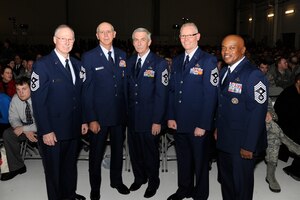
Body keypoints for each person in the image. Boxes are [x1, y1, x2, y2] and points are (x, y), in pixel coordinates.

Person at [30, 24, 88, 200]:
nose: (67, 42)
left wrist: (83, 120)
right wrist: (46, 130)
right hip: (52, 130)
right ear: (55, 40)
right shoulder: (42, 65)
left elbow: (80, 97)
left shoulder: (78, 65)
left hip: (73, 128)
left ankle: (69, 195)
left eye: (70, 39)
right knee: (54, 171)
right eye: (63, 38)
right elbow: (39, 102)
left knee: (70, 167)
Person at [167, 22, 219, 200]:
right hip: (179, 122)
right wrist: (171, 116)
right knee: (183, 159)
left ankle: (201, 194)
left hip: (198, 123)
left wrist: (203, 124)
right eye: (182, 36)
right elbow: (172, 90)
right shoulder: (177, 60)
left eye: (190, 35)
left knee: (200, 162)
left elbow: (211, 96)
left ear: (198, 37)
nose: (186, 39)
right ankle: (184, 189)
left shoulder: (208, 60)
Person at [216, 34, 268, 200]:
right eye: (224, 47)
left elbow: (258, 113)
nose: (226, 51)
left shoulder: (253, 75)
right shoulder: (224, 71)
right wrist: (217, 128)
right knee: (227, 182)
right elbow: (222, 105)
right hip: (225, 139)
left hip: (242, 143)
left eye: (232, 47)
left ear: (243, 50)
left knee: (242, 186)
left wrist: (249, 145)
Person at [81, 22, 129, 200]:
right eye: (102, 32)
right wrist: (91, 118)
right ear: (97, 35)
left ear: (114, 34)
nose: (106, 34)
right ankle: (95, 188)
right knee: (96, 154)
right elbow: (86, 91)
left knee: (118, 150)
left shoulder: (123, 55)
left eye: (109, 31)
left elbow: (124, 86)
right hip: (99, 117)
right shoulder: (89, 57)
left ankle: (116, 181)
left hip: (119, 114)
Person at [126, 27, 169, 198]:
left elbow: (162, 95)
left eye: (142, 39)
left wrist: (157, 120)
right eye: (135, 39)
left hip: (150, 118)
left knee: (150, 152)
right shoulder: (129, 62)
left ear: (149, 42)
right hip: (132, 117)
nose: (138, 42)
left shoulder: (159, 63)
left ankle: (153, 181)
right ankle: (139, 178)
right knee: (134, 150)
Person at [1, 76, 36, 181]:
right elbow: (13, 118)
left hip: (41, 128)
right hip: (23, 126)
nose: (21, 93)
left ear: (31, 88)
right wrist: (23, 130)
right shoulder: (15, 98)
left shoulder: (38, 98)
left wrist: (25, 129)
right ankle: (17, 167)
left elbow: (44, 122)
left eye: (24, 89)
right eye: (18, 90)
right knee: (8, 134)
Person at [274, 73, 300, 181]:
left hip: (294, 124)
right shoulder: (289, 93)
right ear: (298, 81)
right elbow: (283, 115)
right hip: (284, 126)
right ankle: (295, 170)